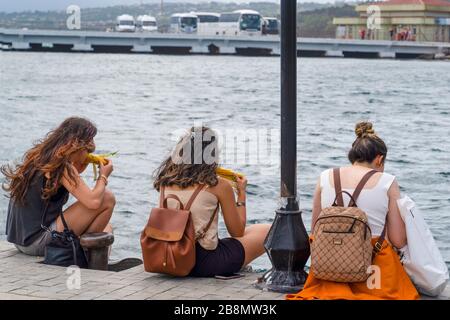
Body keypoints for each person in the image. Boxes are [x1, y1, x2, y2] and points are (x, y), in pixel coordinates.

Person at [286, 122, 419, 300]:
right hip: (374, 273)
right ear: (379, 159)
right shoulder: (387, 181)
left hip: (328, 271)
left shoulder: (325, 177)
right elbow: (398, 239)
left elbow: (315, 230)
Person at [153, 126, 271, 277]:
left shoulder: (165, 181)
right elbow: (237, 232)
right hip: (204, 263)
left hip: (170, 256)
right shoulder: (219, 185)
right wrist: (241, 194)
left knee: (248, 233)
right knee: (268, 230)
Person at [2, 117, 115, 257]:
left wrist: (81, 163)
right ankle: (83, 256)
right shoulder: (62, 166)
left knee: (106, 228)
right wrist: (103, 176)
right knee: (107, 198)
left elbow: (72, 185)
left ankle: (84, 254)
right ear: (76, 145)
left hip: (21, 241)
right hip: (37, 242)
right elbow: (93, 202)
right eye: (87, 150)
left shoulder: (42, 156)